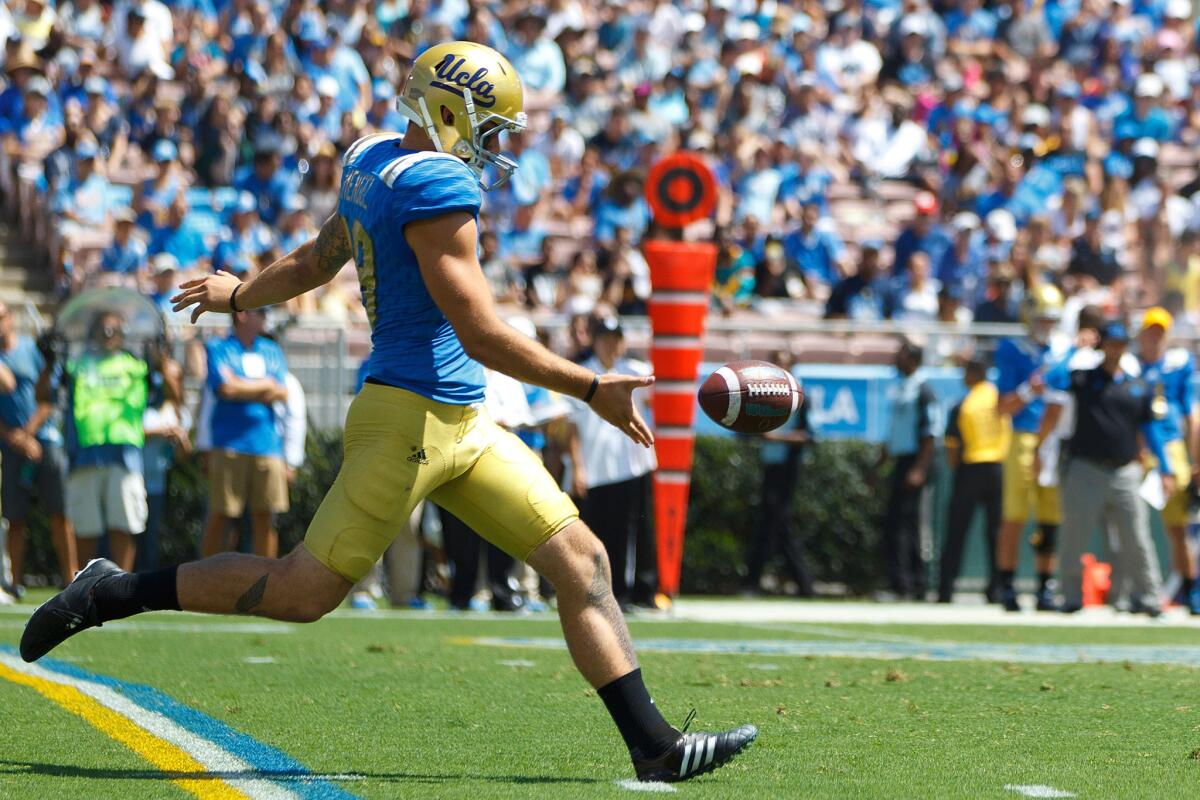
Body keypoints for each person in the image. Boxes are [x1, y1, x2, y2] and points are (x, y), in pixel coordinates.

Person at [23, 42, 755, 784]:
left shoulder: (370, 156)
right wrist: (590, 387)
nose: (496, 145)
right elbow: (481, 332)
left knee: (584, 562)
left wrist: (241, 295)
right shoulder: (437, 185)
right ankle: (111, 590)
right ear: (447, 111)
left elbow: (316, 261)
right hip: (408, 421)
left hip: (462, 420)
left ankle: (654, 747)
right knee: (300, 592)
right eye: (489, 126)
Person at [1039, 322, 1168, 615]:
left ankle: (1149, 597)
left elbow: (1150, 431)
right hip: (1085, 468)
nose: (1115, 349)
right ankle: (1070, 597)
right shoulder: (1084, 379)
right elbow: (1053, 379)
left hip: (1124, 470)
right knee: (1075, 536)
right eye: (1110, 343)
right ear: (1102, 346)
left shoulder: (1136, 386)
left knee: (1137, 538)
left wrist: (1166, 466)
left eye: (1120, 344)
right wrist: (1076, 348)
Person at [564, 316, 657, 610]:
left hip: (633, 463)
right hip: (598, 467)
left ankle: (642, 591)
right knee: (604, 534)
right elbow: (573, 427)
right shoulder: (583, 373)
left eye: (616, 339)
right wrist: (577, 466)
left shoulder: (637, 370)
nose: (612, 345)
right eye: (606, 338)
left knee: (638, 533)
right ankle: (611, 592)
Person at [62, 311, 162, 570]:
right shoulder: (78, 363)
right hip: (85, 454)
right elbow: (52, 392)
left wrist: (161, 359)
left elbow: (167, 392)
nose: (108, 334)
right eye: (103, 329)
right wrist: (53, 361)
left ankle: (119, 589)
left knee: (124, 524)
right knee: (85, 527)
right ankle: (82, 588)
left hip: (125, 454)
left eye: (114, 329)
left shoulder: (136, 365)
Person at [993, 285, 1070, 612]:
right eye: (1042, 318)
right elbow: (1002, 407)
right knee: (1015, 515)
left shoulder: (1062, 353)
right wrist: (1028, 390)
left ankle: (1044, 587)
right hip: (1024, 435)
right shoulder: (1013, 350)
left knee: (1051, 518)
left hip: (1054, 439)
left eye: (1052, 319)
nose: (1047, 325)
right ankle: (1006, 584)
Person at [199, 309, 290, 559]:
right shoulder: (218, 347)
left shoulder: (272, 350)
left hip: (268, 445)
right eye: (260, 311)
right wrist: (265, 385)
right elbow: (225, 388)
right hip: (229, 444)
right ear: (241, 315)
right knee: (222, 514)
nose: (265, 316)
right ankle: (208, 578)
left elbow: (283, 391)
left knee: (266, 516)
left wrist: (242, 385)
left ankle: (266, 581)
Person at [0, 305, 74, 594]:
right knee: (15, 518)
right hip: (11, 445)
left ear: (11, 319)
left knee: (60, 512)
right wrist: (15, 438)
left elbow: (48, 398)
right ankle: (14, 583)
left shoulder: (32, 350)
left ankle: (71, 578)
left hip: (45, 441)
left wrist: (28, 434)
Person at [1133, 307, 1200, 614]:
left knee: (1178, 528)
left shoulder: (1179, 365)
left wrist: (1196, 458)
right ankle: (1136, 589)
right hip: (1135, 449)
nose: (1155, 336)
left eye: (1161, 330)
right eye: (1151, 330)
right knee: (1130, 525)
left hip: (1171, 448)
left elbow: (1193, 416)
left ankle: (1189, 591)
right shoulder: (1129, 365)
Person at [938, 355, 1009, 603]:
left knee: (956, 531)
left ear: (974, 374)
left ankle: (945, 590)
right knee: (996, 534)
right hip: (998, 469)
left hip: (971, 468)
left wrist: (957, 469)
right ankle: (996, 589)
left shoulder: (964, 404)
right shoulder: (1000, 399)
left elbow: (952, 447)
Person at [743, 350, 814, 597]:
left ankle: (756, 581)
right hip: (771, 464)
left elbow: (809, 435)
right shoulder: (764, 394)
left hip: (787, 467)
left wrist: (777, 438)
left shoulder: (801, 396)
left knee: (776, 522)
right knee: (774, 522)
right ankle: (803, 584)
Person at [873, 339, 940, 600]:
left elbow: (930, 433)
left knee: (908, 525)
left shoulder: (923, 390)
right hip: (903, 460)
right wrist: (878, 467)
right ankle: (904, 583)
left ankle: (909, 584)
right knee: (898, 523)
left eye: (900, 355)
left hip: (915, 462)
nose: (895, 359)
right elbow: (893, 435)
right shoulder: (903, 388)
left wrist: (919, 469)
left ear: (912, 359)